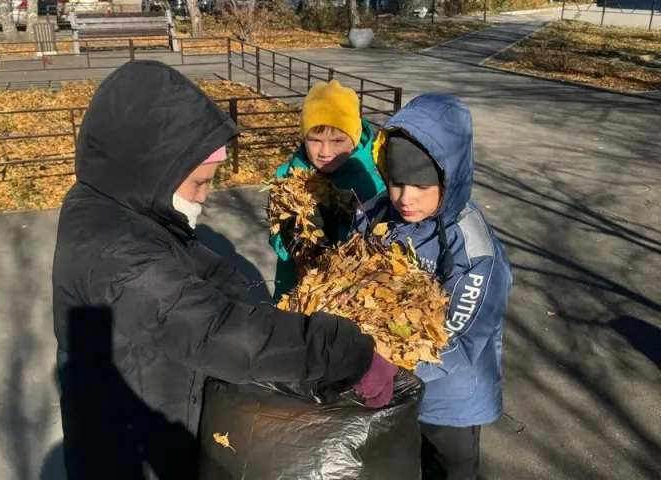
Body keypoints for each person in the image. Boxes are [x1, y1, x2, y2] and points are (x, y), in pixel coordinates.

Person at [51, 61, 398, 480]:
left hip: (158, 414)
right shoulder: (117, 255)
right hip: (128, 454)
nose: (207, 194)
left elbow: (215, 278)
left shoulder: (126, 209)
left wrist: (281, 325)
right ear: (153, 172)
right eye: (199, 183)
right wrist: (342, 351)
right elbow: (213, 329)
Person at [353, 94, 513, 480]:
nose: (405, 199)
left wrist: (393, 366)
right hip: (390, 391)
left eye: (421, 185)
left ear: (449, 176)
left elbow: (462, 332)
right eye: (396, 182)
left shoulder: (473, 247)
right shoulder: (376, 213)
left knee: (450, 469)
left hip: (452, 398)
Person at [269, 79, 386, 299]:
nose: (325, 151)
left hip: (345, 294)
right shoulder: (286, 177)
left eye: (337, 141)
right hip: (294, 286)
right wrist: (293, 236)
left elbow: (380, 252)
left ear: (354, 138)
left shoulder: (372, 185)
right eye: (315, 140)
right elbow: (276, 238)